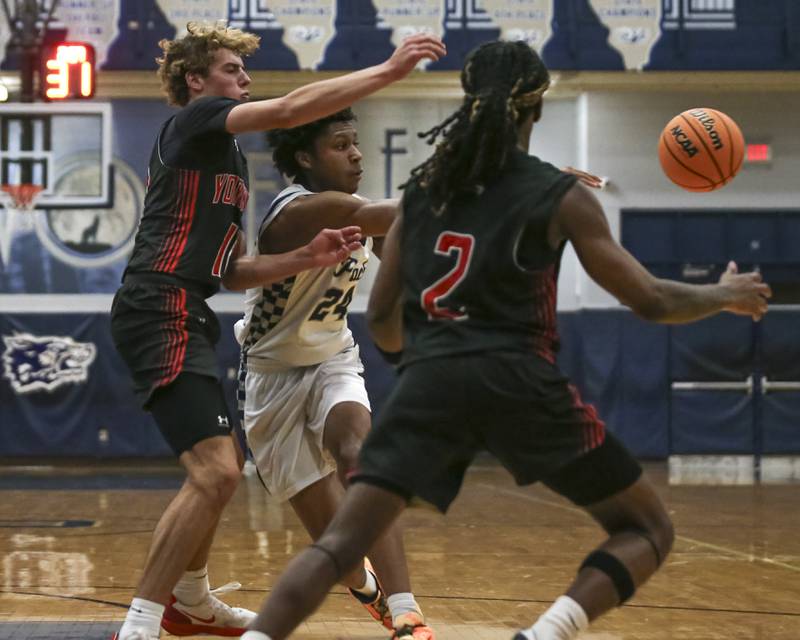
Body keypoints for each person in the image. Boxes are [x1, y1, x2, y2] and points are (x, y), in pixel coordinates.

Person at [238, 40, 771, 640]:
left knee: (340, 543)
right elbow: (650, 299)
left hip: (431, 378)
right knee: (647, 529)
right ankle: (542, 634)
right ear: (535, 109)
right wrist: (724, 294)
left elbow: (385, 314)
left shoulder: (425, 192)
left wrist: (415, 367)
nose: (355, 153)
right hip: (516, 380)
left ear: (469, 103)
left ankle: (331, 623)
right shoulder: (557, 195)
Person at [108, 22, 444, 640]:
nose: (244, 79)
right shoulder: (198, 123)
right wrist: (389, 72)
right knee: (221, 475)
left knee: (235, 469)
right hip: (178, 314)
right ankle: (150, 620)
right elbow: (291, 109)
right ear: (196, 80)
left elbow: (229, 268)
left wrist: (305, 259)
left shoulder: (224, 159)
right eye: (232, 69)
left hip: (223, 316)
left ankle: (191, 601)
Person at [234, 107, 433, 639]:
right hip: (271, 378)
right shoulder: (298, 212)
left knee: (361, 455)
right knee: (340, 553)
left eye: (355, 143)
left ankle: (407, 613)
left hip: (331, 360)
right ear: (305, 157)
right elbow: (402, 214)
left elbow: (401, 241)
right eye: (341, 144)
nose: (356, 153)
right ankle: (365, 585)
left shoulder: (363, 212)